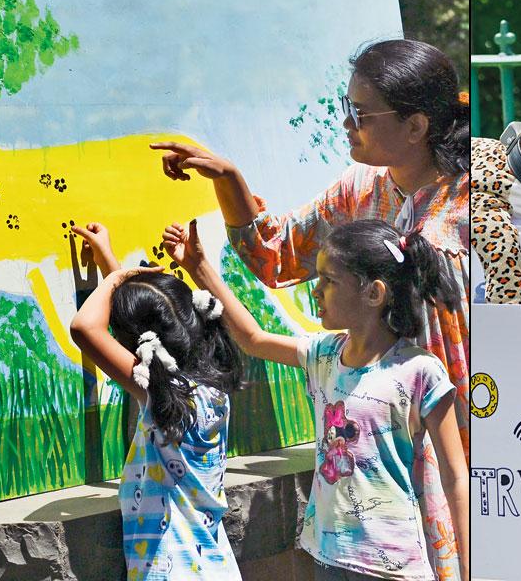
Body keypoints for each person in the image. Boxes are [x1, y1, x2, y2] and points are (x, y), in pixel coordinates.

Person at [149, 38, 469, 578]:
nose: (348, 124)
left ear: (415, 126)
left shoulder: (470, 204)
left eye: (361, 114)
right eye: (347, 109)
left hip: (452, 431)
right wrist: (229, 181)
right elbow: (276, 256)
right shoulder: (357, 190)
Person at [161, 217, 469, 581]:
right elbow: (253, 339)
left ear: (374, 293)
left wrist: (468, 568)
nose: (316, 291)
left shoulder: (420, 370)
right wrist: (198, 267)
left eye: (329, 281)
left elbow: (454, 476)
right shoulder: (323, 354)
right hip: (325, 555)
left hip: (393, 565)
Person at [68, 224, 245, 581]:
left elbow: (85, 328)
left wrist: (118, 277)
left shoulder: (158, 393)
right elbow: (140, 335)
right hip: (216, 567)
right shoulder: (212, 390)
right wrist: (108, 261)